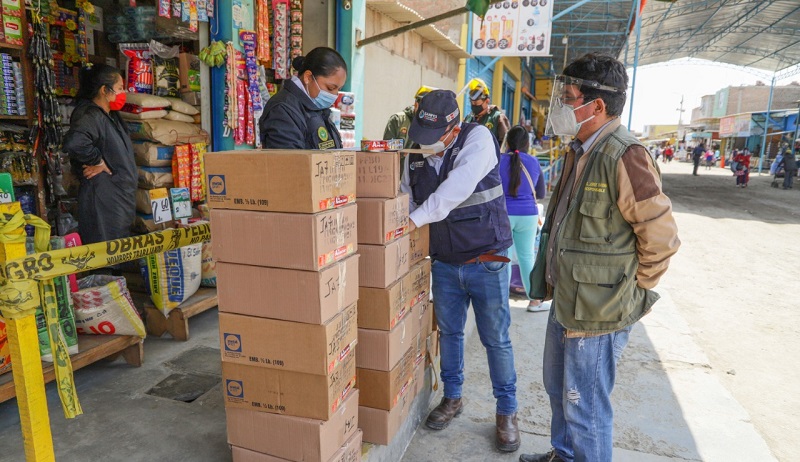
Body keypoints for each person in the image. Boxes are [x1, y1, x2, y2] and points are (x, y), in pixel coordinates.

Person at [519, 53, 680, 462]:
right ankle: (564, 454)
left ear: (597, 106)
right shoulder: (580, 149)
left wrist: (632, 288)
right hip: (569, 299)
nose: (561, 106)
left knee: (585, 405)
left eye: (569, 98)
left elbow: (661, 237)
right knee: (559, 390)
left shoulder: (625, 155)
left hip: (599, 311)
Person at [401, 90, 520, 453]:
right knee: (450, 333)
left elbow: (454, 190)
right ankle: (452, 398)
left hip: (486, 259)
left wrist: (410, 222)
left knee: (495, 339)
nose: (424, 145)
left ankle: (507, 411)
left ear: (452, 130)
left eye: (432, 138)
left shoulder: (478, 138)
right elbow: (405, 192)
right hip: (445, 262)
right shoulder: (416, 150)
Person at [63, 64, 136, 246]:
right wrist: (97, 160)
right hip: (103, 199)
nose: (123, 92)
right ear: (105, 90)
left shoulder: (110, 114)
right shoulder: (89, 114)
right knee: (105, 253)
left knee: (118, 250)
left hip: (117, 196)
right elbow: (75, 142)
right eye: (119, 88)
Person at [258, 47, 347, 149]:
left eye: (338, 89)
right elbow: (290, 161)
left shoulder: (317, 107)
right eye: (330, 88)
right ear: (308, 77)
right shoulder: (282, 109)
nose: (334, 95)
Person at [499, 126, 547, 312]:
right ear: (527, 143)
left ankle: (503, 301)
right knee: (527, 257)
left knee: (505, 258)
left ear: (507, 143)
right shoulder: (534, 162)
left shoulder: (499, 161)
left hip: (505, 215)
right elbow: (541, 192)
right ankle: (534, 300)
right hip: (528, 215)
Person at [464, 78, 511, 145]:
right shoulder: (469, 118)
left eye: (477, 104)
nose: (474, 106)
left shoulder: (497, 118)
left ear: (487, 101)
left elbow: (505, 144)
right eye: (472, 103)